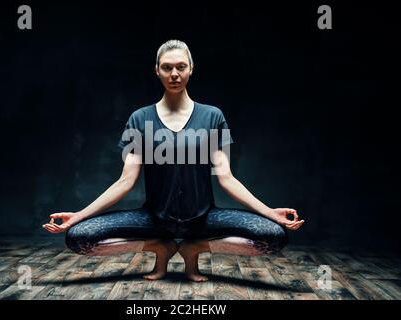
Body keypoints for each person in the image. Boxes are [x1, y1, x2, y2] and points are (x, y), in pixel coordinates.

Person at [43, 39, 304, 282]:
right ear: (156, 71)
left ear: (191, 68)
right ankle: (160, 246)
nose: (174, 74)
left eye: (181, 67)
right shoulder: (139, 119)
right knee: (78, 238)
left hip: (203, 218)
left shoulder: (213, 116)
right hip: (154, 219)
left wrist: (270, 212)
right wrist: (78, 216)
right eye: (167, 68)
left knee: (273, 237)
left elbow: (226, 178)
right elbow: (125, 181)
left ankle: (195, 247)